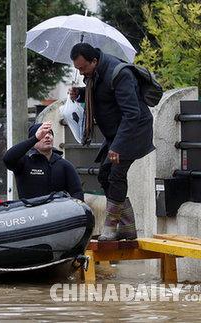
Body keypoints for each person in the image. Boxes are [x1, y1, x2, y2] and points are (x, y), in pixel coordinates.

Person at [70, 43, 155, 241]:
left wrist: (118, 146)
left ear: (94, 61)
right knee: (104, 175)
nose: (81, 72)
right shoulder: (95, 75)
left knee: (116, 174)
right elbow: (103, 95)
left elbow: (132, 113)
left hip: (133, 131)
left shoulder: (119, 73)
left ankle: (111, 226)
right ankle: (128, 228)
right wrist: (81, 93)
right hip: (116, 134)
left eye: (83, 68)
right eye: (77, 68)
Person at [3, 121, 84, 201]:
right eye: (43, 134)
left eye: (50, 133)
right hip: (30, 212)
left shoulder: (64, 165)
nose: (47, 136)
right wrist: (35, 138)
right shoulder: (24, 162)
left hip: (57, 212)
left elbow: (77, 193)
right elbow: (8, 159)